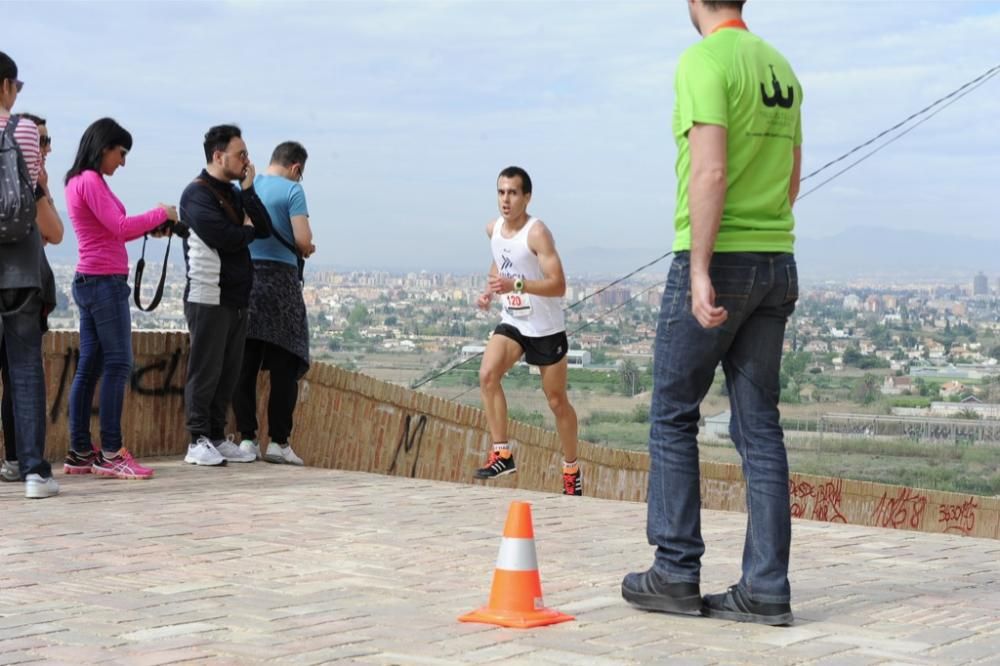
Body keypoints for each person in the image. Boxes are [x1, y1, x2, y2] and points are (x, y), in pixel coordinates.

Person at [621, 0, 803, 626]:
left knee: (673, 414)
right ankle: (766, 587)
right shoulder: (780, 68)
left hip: (719, 256)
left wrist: (700, 269)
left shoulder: (704, 61)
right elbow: (792, 181)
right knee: (760, 431)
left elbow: (711, 168)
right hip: (777, 259)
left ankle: (674, 571)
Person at [63, 117, 179, 480]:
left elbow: (111, 232)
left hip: (90, 279)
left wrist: (149, 227)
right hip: (103, 283)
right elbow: (121, 226)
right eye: (121, 152)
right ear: (103, 148)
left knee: (91, 367)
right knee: (118, 364)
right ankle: (111, 453)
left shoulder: (77, 182)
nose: (123, 162)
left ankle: (81, 450)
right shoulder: (92, 182)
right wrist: (163, 213)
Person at [475, 166, 582, 496]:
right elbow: (501, 260)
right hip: (514, 322)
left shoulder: (537, 233)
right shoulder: (493, 229)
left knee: (556, 400)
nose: (505, 199)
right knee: (488, 375)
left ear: (527, 197)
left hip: (546, 328)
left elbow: (558, 285)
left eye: (512, 193)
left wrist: (516, 283)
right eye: (501, 192)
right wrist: (491, 290)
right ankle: (502, 453)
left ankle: (571, 469)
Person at [180, 124, 271, 466]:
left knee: (227, 372)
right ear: (219, 156)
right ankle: (196, 439)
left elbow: (262, 228)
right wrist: (243, 229)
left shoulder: (234, 193)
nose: (248, 161)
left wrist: (248, 192)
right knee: (205, 370)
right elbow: (223, 236)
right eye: (242, 154)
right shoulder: (196, 194)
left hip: (236, 296)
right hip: (208, 294)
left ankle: (216, 435)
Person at [232, 141, 315, 465]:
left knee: (245, 363)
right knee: (286, 362)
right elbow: (303, 239)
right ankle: (279, 442)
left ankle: (247, 439)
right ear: (296, 168)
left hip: (248, 280)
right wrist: (307, 249)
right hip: (281, 283)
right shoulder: (292, 191)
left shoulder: (246, 185)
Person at [0, 51, 58, 498]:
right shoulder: (21, 129)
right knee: (24, 370)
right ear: (6, 86)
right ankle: (35, 472)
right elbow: (40, 204)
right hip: (20, 271)